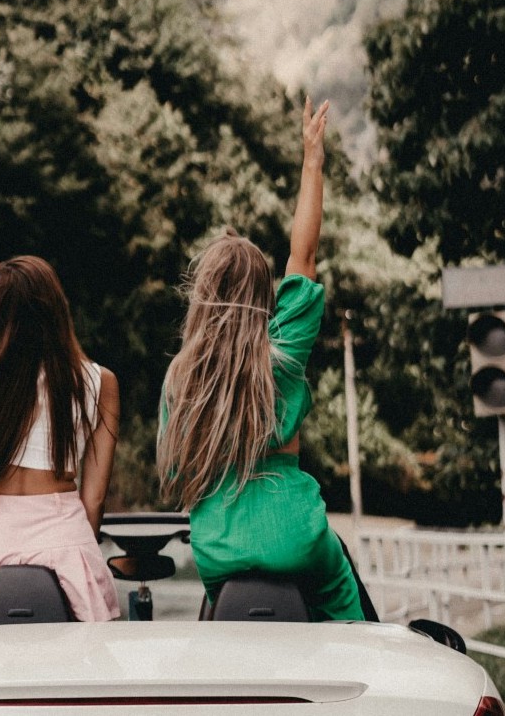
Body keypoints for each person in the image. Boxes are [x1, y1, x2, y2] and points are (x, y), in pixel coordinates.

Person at [157, 96, 364, 622]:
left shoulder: (181, 376)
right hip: (298, 538)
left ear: (203, 294)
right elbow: (305, 257)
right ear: (263, 299)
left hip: (217, 551)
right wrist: (312, 161)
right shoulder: (283, 354)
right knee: (346, 604)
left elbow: (179, 474)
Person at [0, 94, 120, 624]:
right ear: (57, 310)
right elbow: (94, 500)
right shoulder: (100, 382)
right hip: (67, 539)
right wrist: (80, 550)